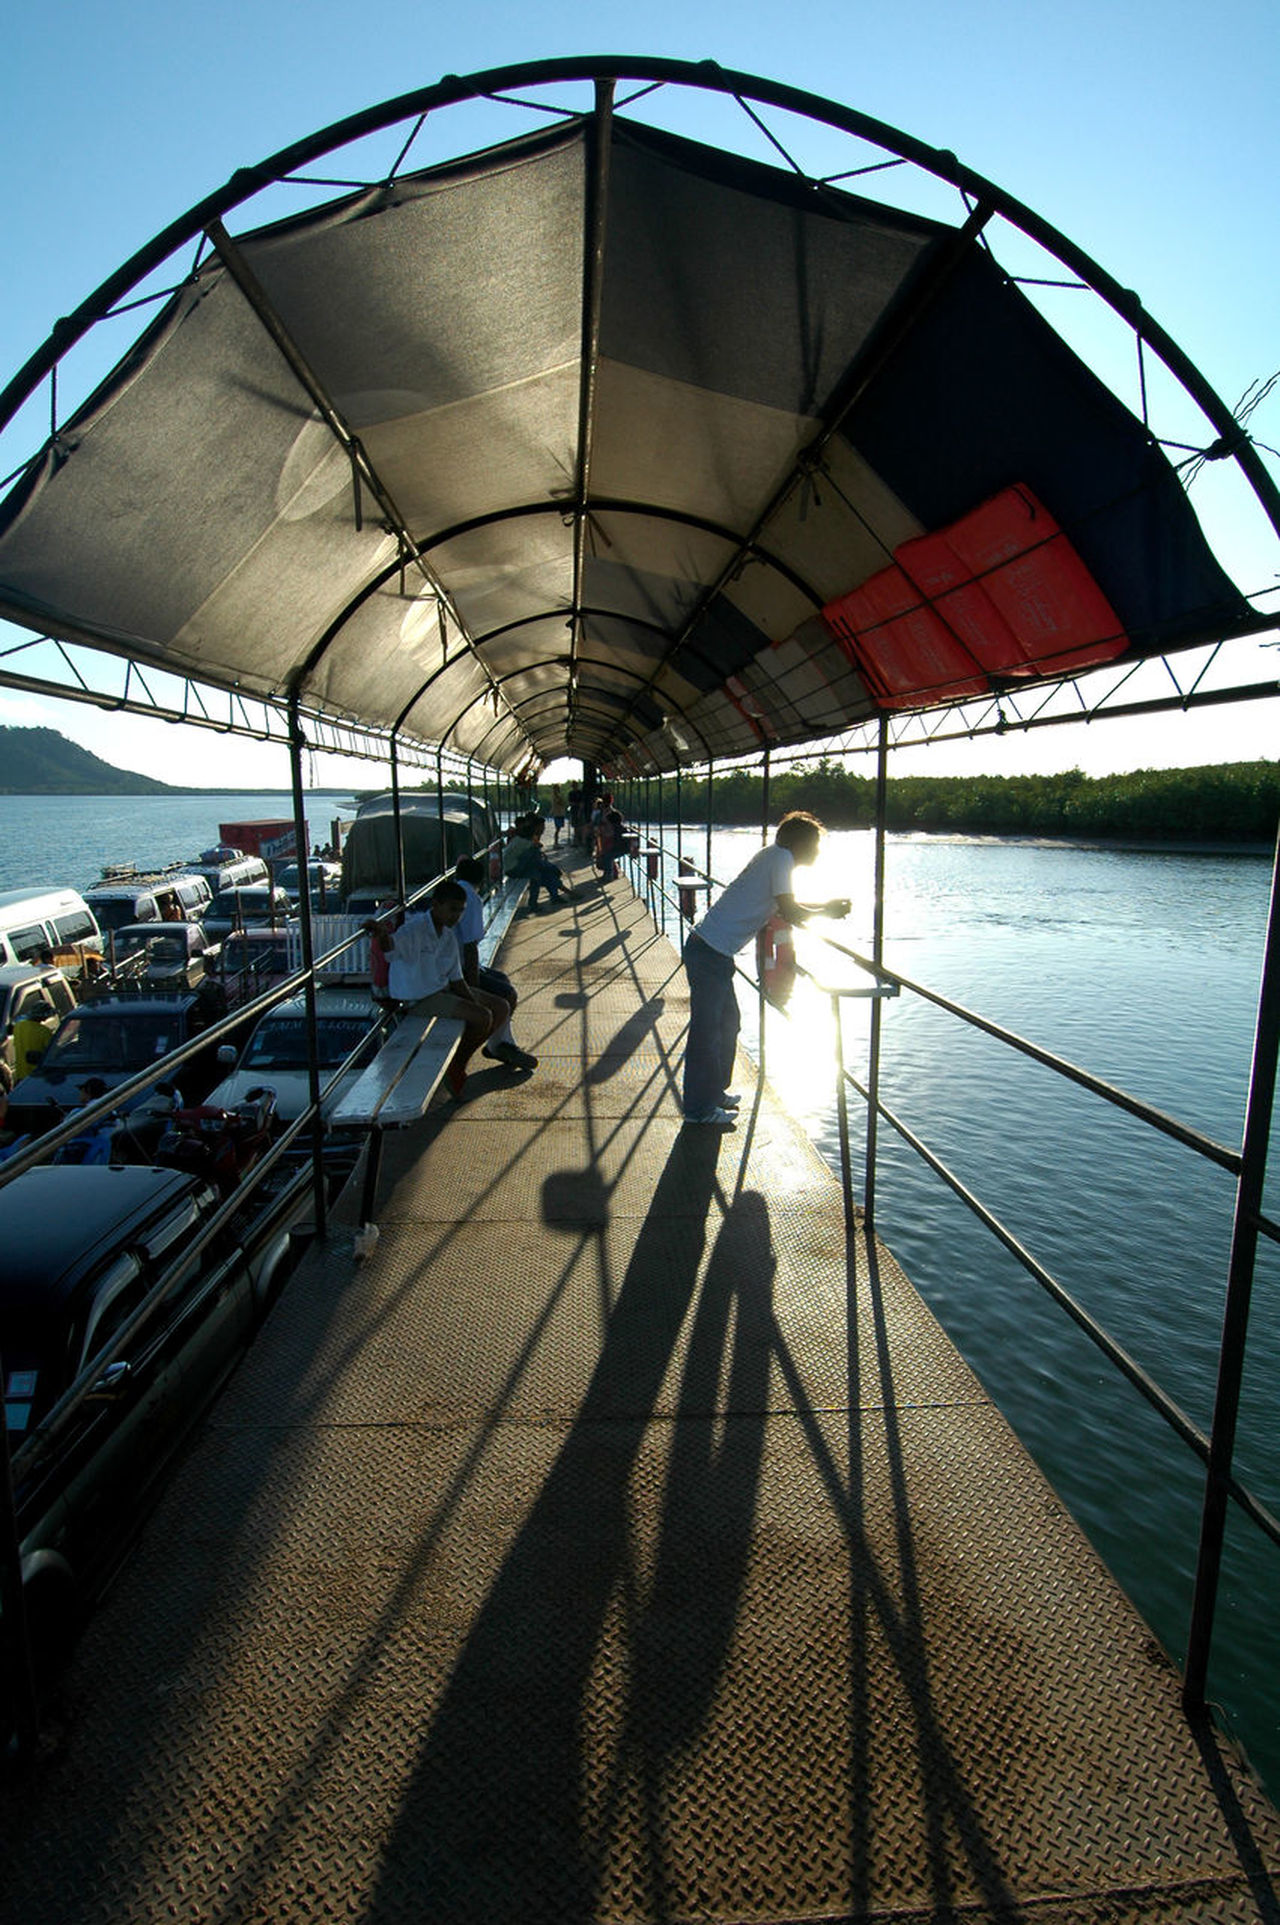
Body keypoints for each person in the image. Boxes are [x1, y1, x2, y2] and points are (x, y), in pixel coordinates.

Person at [681, 811, 851, 1127]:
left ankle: (712, 1092)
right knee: (707, 1033)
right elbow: (791, 911)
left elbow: (788, 907)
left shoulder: (774, 856)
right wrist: (828, 909)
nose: (817, 852)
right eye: (815, 845)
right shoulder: (782, 859)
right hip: (710, 953)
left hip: (713, 951)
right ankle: (698, 1109)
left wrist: (823, 909)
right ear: (801, 843)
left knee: (728, 1024)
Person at [367, 879, 509, 1097]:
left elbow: (457, 979)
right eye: (452, 909)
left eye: (460, 911)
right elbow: (391, 946)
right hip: (419, 999)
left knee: (501, 1007)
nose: (456, 916)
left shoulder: (448, 936)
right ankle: (456, 1066)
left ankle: (457, 1062)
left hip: (442, 991)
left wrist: (472, 999)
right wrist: (380, 934)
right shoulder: (414, 930)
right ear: (435, 904)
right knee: (482, 1017)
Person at [453, 857, 538, 1072]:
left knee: (502, 979)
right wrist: (473, 986)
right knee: (507, 995)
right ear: (480, 881)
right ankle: (497, 1046)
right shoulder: (470, 899)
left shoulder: (456, 890)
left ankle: (501, 1043)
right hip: (458, 969)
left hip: (456, 962)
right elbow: (470, 946)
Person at [503, 814, 570, 909]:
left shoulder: (521, 839)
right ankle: (543, 900)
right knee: (539, 875)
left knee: (543, 873)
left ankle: (553, 896)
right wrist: (554, 869)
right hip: (513, 869)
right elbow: (537, 860)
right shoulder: (527, 843)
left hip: (513, 867)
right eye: (542, 827)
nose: (544, 829)